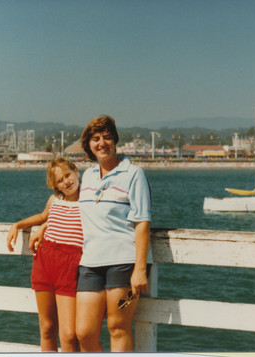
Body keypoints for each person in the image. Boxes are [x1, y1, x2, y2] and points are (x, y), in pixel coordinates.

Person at [76, 114, 152, 352]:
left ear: (116, 140)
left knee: (118, 328)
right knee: (85, 333)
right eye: (96, 139)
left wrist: (139, 269)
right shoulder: (87, 176)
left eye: (107, 137)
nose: (102, 143)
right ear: (89, 145)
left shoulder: (134, 174)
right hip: (90, 264)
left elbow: (142, 222)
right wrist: (45, 225)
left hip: (124, 264)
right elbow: (71, 208)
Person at [6, 158, 83, 352]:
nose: (66, 181)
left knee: (68, 334)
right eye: (59, 180)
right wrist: (18, 225)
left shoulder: (88, 200)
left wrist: (45, 226)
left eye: (67, 175)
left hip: (71, 265)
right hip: (45, 261)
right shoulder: (55, 200)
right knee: (47, 327)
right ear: (54, 185)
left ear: (76, 172)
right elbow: (43, 216)